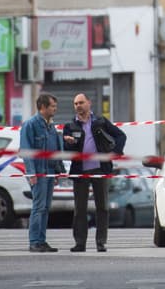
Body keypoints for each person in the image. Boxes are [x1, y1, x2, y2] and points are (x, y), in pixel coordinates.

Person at [62, 93, 126, 252]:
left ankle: (101, 242)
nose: (78, 106)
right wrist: (69, 143)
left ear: (89, 103)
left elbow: (120, 135)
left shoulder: (101, 122)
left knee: (102, 207)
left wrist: (115, 152)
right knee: (80, 209)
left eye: (81, 102)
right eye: (75, 103)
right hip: (80, 171)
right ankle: (80, 243)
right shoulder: (70, 126)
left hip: (100, 169)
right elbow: (67, 151)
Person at [21, 93, 65, 253]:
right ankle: (34, 241)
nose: (55, 109)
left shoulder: (51, 125)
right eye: (52, 106)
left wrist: (57, 171)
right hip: (38, 172)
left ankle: (42, 240)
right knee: (38, 207)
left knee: (46, 207)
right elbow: (26, 151)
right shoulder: (31, 125)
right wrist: (31, 173)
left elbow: (55, 149)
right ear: (43, 107)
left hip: (50, 171)